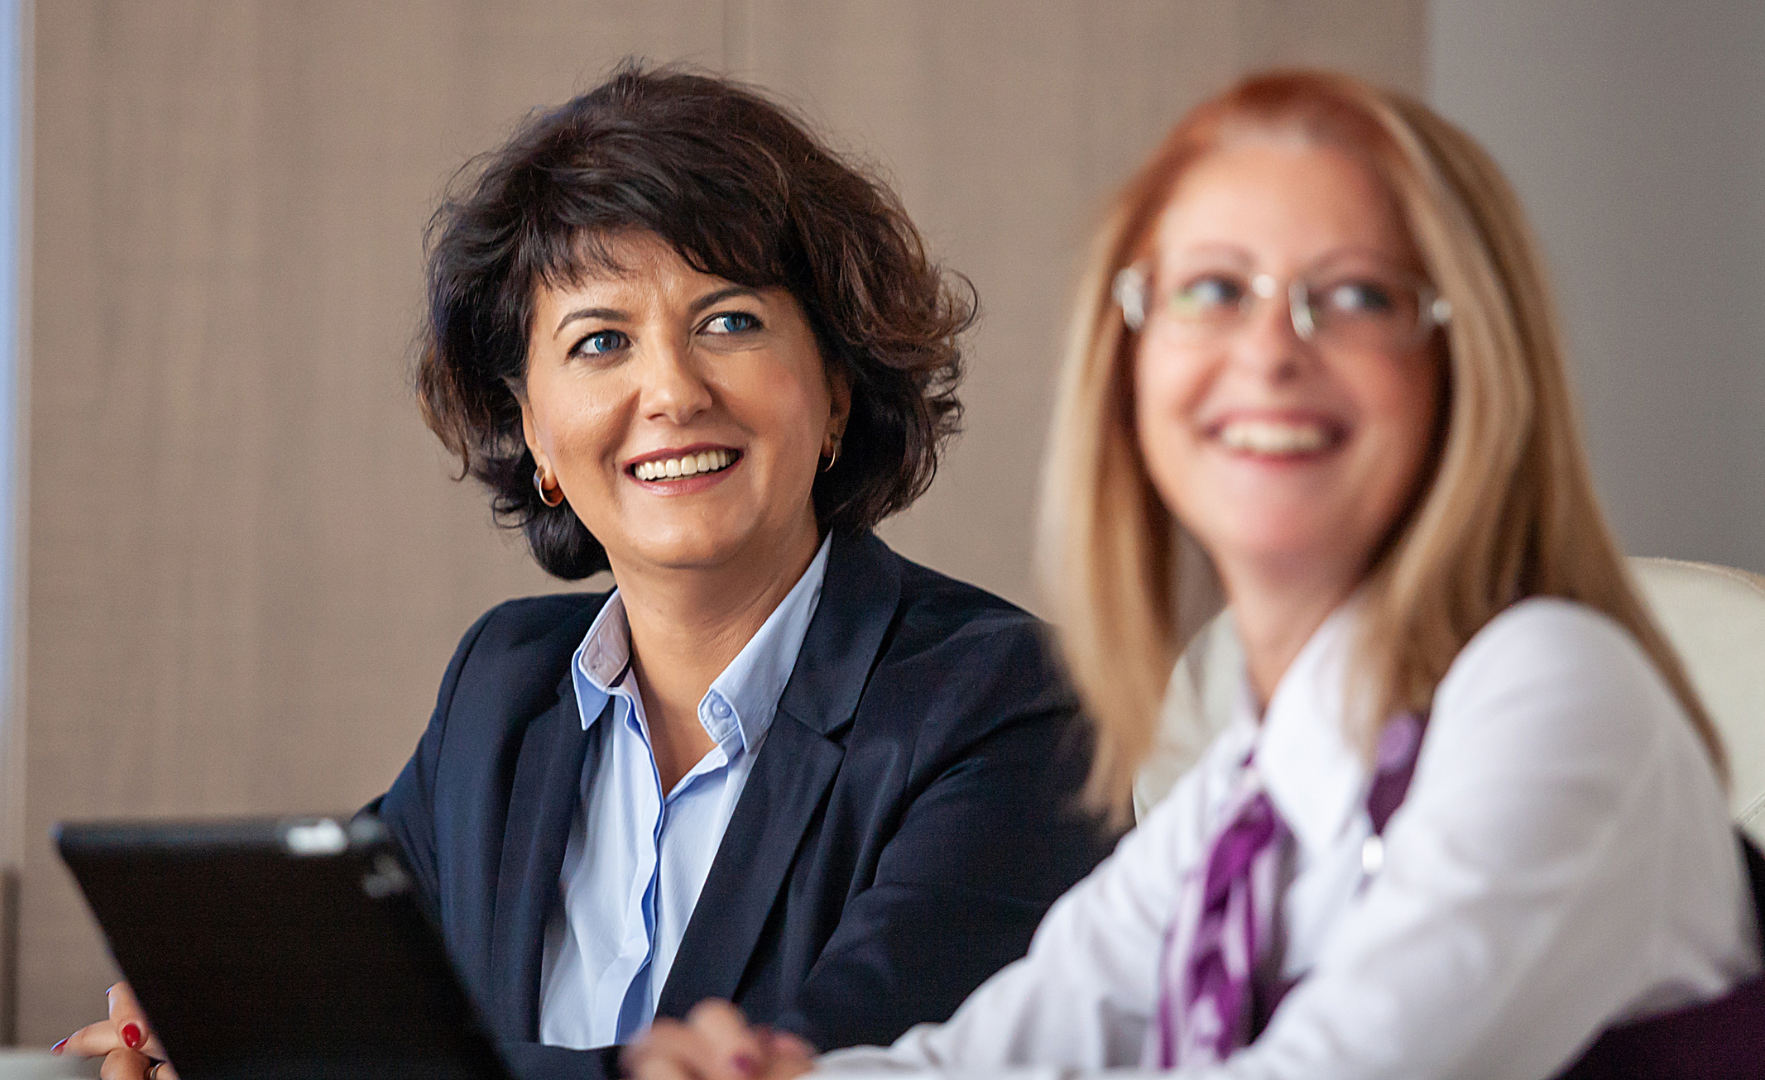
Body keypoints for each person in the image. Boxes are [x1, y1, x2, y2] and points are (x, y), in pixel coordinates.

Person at [625, 70, 1765, 1080]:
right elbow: (1001, 1051)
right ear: (1130, 369)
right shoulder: (1258, 783)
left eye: (1358, 295)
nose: (1269, 350)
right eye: (1212, 291)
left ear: (1472, 367)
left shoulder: (1553, 689)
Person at [56, 65, 1113, 1080]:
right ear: (536, 433)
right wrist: (203, 1030)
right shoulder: (503, 690)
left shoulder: (1007, 705)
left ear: (836, 390)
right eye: (600, 342)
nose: (671, 391)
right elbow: (346, 993)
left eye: (730, 321)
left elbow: (822, 1071)